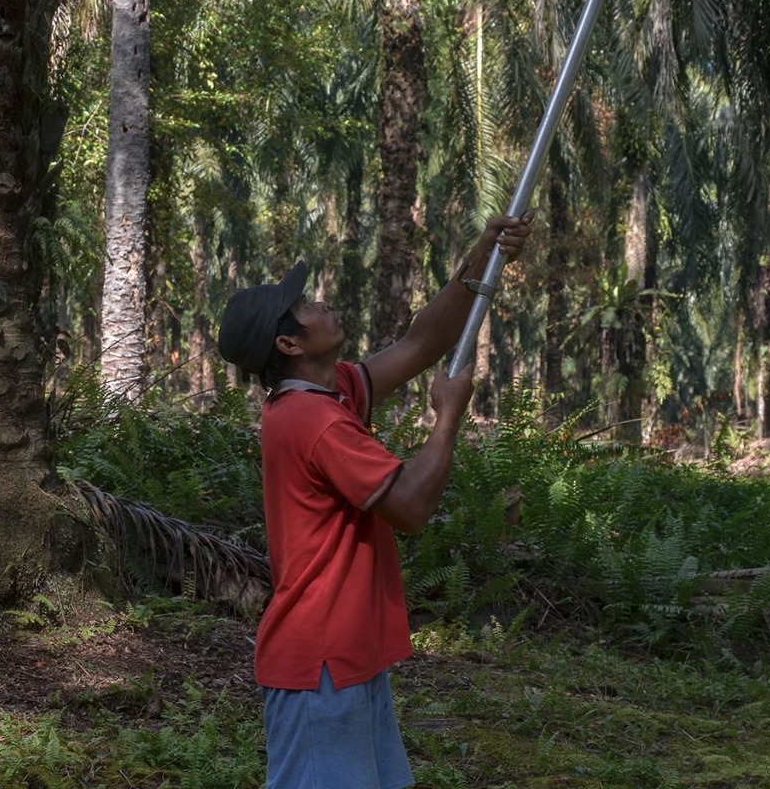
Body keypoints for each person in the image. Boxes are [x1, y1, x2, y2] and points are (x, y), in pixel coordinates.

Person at [217, 212, 534, 789]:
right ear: (288, 342)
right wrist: (447, 418)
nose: (319, 304)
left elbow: (422, 342)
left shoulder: (326, 391)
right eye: (304, 306)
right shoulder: (315, 421)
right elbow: (411, 508)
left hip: (345, 654)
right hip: (319, 662)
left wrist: (483, 257)